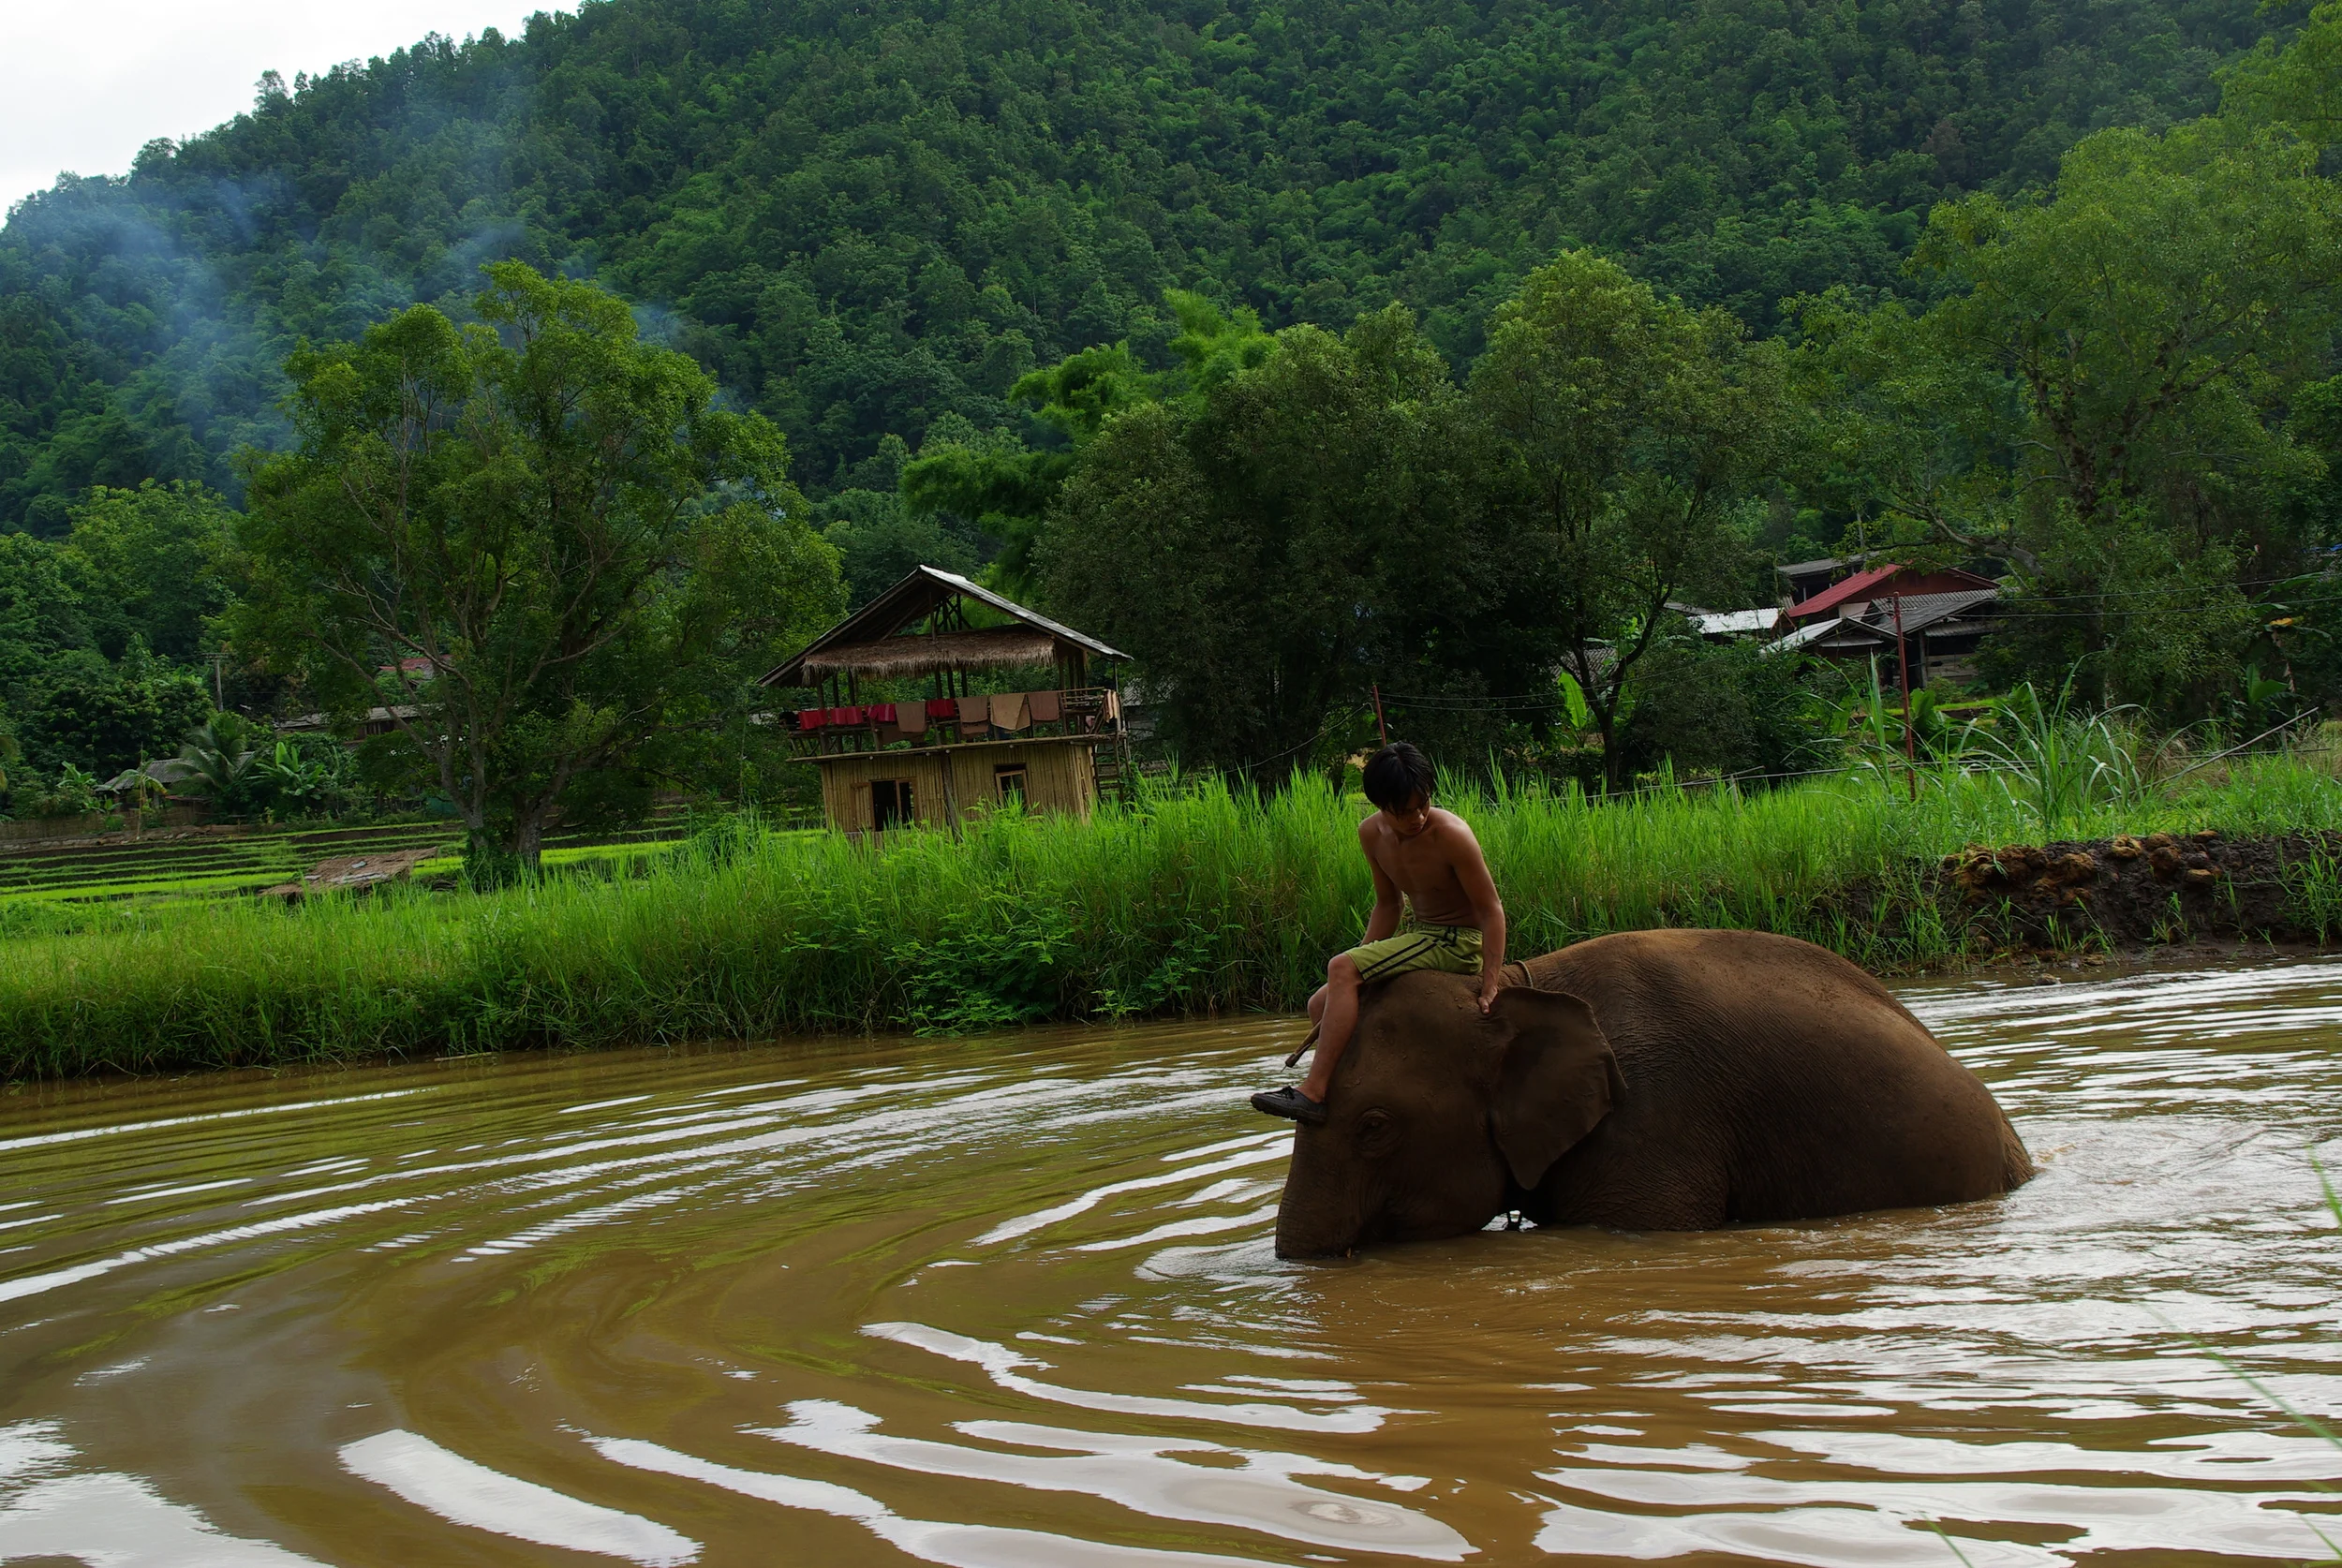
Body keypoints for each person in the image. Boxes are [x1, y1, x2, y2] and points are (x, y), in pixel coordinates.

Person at [1251, 741, 1506, 1126]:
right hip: (1423, 934)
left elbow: (1491, 909)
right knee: (1319, 1002)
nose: (1418, 817)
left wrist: (1490, 983)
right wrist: (1360, 964)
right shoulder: (1371, 834)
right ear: (1381, 806)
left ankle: (1314, 1092)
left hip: (1457, 941)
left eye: (1424, 805)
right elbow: (1389, 905)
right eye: (1405, 812)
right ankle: (1356, 1087)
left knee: (1341, 968)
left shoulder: (1451, 833)